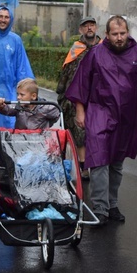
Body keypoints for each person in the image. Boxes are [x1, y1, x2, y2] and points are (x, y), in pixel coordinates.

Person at [66, 15, 137, 226]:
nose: (119, 38)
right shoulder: (96, 54)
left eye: (122, 33)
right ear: (106, 35)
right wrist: (81, 111)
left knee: (116, 162)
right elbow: (81, 82)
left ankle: (112, 204)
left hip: (127, 115)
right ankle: (100, 208)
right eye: (114, 34)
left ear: (128, 33)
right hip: (99, 112)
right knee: (98, 160)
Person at [56, 16, 102, 180]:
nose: (89, 28)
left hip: (98, 97)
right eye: (86, 26)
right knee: (80, 132)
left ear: (96, 27)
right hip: (77, 97)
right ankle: (83, 166)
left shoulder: (105, 47)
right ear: (81, 30)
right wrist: (62, 92)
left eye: (92, 25)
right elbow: (67, 71)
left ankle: (97, 163)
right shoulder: (76, 48)